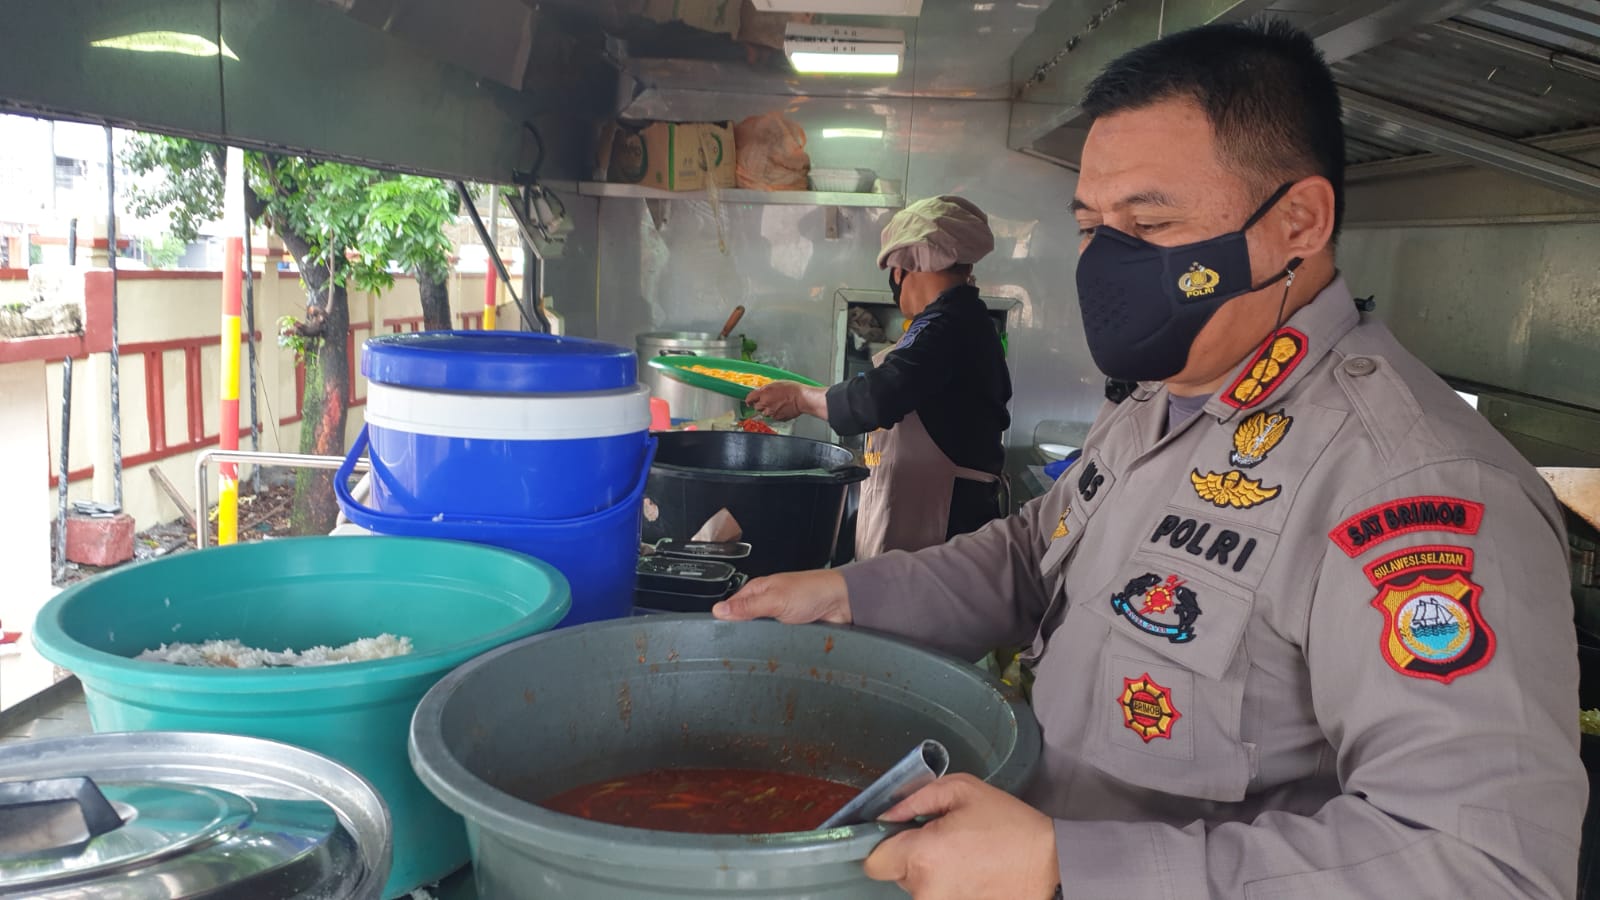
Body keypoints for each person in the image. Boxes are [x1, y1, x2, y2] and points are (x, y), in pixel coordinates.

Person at [716, 19, 1586, 900]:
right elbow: (1030, 556)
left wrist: (1074, 868)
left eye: (1151, 221)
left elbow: (1490, 867)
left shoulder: (1414, 484)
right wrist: (850, 594)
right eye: (1093, 224)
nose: (1107, 262)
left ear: (1299, 221)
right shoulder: (1162, 396)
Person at [746, 195, 1013, 560]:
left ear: (904, 267)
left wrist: (799, 399)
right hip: (925, 518)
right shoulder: (954, 322)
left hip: (941, 531)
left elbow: (877, 398)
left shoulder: (949, 327)